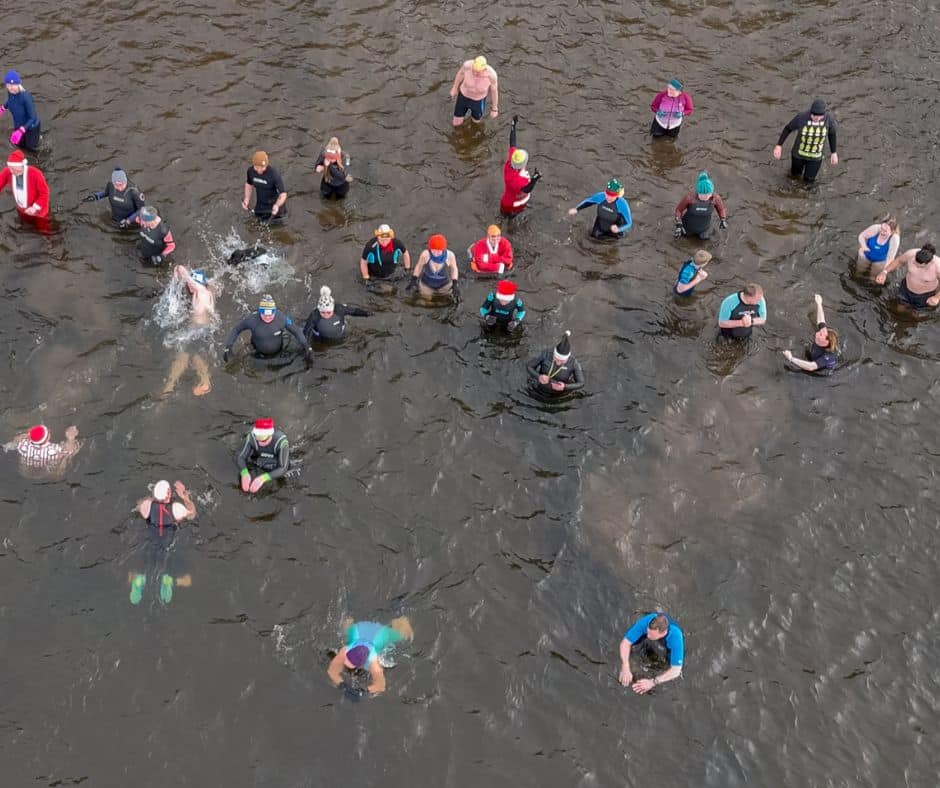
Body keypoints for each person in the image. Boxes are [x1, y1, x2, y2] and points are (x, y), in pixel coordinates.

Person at [132, 479, 196, 605]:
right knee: (185, 578)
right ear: (168, 494)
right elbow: (192, 514)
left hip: (150, 544)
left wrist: (150, 498)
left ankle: (141, 580)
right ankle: (169, 581)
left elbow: (138, 505)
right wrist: (185, 496)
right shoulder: (176, 509)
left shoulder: (147, 506)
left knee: (144, 567)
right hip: (168, 547)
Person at [161, 266, 215, 397]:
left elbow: (187, 276)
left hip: (199, 330)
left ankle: (170, 386)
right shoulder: (207, 292)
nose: (190, 287)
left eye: (193, 284)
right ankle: (203, 382)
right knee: (193, 355)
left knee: (184, 355)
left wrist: (179, 268)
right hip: (202, 329)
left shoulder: (201, 292)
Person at [327, 617, 414, 696]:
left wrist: (361, 691)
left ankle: (402, 620)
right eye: (347, 659)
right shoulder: (345, 650)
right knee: (347, 629)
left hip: (379, 634)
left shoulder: (373, 662)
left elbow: (381, 686)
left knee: (402, 635)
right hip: (358, 629)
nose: (345, 662)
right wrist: (343, 686)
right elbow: (332, 671)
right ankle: (348, 621)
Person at [222, 294, 312, 362]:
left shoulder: (281, 318)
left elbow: (295, 330)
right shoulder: (252, 320)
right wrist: (228, 346)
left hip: (279, 350)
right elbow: (236, 329)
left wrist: (306, 345)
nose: (268, 317)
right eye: (264, 314)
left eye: (270, 314)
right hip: (256, 351)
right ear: (260, 312)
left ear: (275, 312)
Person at [773, 99, 838, 183]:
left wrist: (834, 152)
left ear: (824, 114)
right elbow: (788, 129)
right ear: (811, 112)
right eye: (814, 115)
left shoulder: (829, 119)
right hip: (798, 156)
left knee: (809, 182)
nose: (816, 118)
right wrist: (779, 145)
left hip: (815, 158)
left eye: (819, 116)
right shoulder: (801, 117)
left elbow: (832, 134)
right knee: (794, 177)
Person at [618, 612, 685, 694]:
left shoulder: (675, 637)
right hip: (654, 628)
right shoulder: (647, 621)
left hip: (667, 643)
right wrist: (625, 666)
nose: (648, 636)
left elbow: (676, 670)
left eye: (651, 635)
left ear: (662, 633)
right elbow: (626, 642)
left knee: (664, 665)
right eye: (648, 632)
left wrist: (652, 682)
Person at [782, 294, 839, 375]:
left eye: (821, 334)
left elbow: (811, 367)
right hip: (814, 355)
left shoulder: (829, 357)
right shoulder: (823, 335)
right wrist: (819, 304)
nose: (818, 332)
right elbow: (821, 321)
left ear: (826, 342)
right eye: (820, 331)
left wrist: (791, 358)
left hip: (820, 370)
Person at [875, 243, 940, 309]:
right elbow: (899, 261)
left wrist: (937, 297)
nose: (916, 265)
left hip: (925, 296)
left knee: (917, 316)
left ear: (928, 263)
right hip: (905, 289)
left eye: (919, 265)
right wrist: (884, 272)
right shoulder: (911, 254)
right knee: (899, 309)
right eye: (915, 262)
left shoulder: (938, 266)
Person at [500, 115, 541, 216]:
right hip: (514, 204)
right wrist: (535, 179)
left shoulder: (510, 163)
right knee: (511, 219)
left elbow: (512, 142)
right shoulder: (519, 180)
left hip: (507, 201)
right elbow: (527, 189)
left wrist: (513, 126)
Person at [235, 418, 289, 494]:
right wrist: (244, 473)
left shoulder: (281, 442)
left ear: (270, 435)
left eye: (263, 440)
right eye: (258, 440)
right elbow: (241, 457)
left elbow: (283, 468)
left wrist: (262, 479)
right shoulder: (252, 437)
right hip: (258, 459)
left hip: (274, 461)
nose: (260, 443)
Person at [81, 167, 146, 227]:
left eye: (121, 185)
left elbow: (141, 209)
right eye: (116, 185)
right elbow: (106, 193)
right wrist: (96, 196)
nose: (120, 188)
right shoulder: (110, 185)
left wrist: (128, 221)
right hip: (115, 219)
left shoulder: (134, 191)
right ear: (113, 183)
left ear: (125, 181)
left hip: (131, 222)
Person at [568, 179, 632, 239]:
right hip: (600, 225)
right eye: (607, 194)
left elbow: (629, 223)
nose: (609, 197)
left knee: (612, 246)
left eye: (612, 195)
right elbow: (588, 201)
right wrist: (577, 209)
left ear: (617, 195)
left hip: (615, 229)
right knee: (593, 240)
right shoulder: (601, 196)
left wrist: (618, 229)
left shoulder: (622, 204)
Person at [303, 286, 370, 343]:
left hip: (341, 336)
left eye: (328, 312)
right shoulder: (314, 316)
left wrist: (366, 313)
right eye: (322, 312)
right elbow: (306, 333)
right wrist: (307, 347)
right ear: (319, 310)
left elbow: (354, 311)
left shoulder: (339, 309)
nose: (326, 315)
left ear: (333, 309)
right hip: (321, 339)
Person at [674, 171, 728, 240]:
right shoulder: (689, 198)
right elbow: (678, 210)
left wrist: (723, 219)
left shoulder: (716, 198)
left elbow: (721, 209)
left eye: (708, 194)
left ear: (711, 192)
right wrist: (679, 223)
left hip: (704, 229)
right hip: (687, 226)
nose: (705, 197)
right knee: (681, 239)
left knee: (705, 240)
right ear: (698, 192)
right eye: (702, 195)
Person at [407, 235, 461, 301]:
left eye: (439, 251)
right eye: (434, 250)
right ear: (430, 248)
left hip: (444, 285)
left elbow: (454, 268)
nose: (436, 253)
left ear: (443, 249)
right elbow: (419, 266)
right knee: (427, 301)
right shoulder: (425, 255)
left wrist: (455, 283)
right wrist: (413, 279)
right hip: (426, 284)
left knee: (446, 300)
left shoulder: (450, 256)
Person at [449, 55, 498, 127]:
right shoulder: (467, 65)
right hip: (463, 97)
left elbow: (494, 91)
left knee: (475, 124)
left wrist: (494, 109)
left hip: (478, 101)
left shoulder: (491, 75)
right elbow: (460, 74)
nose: (475, 74)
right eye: (473, 71)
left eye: (478, 72)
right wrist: (454, 88)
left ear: (484, 70)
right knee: (456, 124)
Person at [0, 149, 49, 220]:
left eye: (13, 169)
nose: (11, 171)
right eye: (10, 168)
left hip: (39, 211)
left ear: (22, 165)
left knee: (43, 229)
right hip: (22, 209)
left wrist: (34, 208)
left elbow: (45, 194)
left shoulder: (36, 174)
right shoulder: (8, 172)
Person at [1, 70, 41, 150]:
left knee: (31, 149)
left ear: (18, 84)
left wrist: (21, 130)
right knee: (19, 146)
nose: (11, 87)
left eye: (13, 85)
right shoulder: (10, 92)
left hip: (31, 127)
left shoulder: (26, 97)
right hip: (19, 124)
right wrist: (3, 108)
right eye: (8, 85)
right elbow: (11, 101)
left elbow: (32, 118)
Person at [243, 150, 287, 222]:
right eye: (257, 167)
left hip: (275, 210)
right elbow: (249, 184)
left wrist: (277, 205)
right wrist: (247, 199)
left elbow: (283, 194)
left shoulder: (274, 175)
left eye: (262, 167)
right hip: (260, 207)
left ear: (266, 165)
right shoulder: (250, 171)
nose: (259, 170)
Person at [14, 424, 81, 471]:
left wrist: (26, 435)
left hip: (27, 468)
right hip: (46, 469)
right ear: (48, 438)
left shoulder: (23, 445)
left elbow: (16, 439)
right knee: (66, 456)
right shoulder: (53, 449)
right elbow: (68, 451)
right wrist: (71, 438)